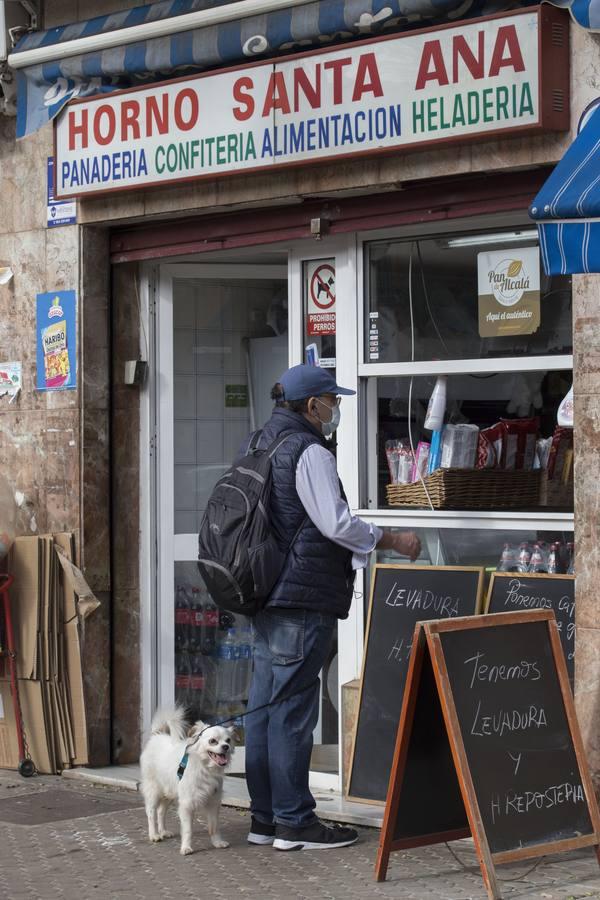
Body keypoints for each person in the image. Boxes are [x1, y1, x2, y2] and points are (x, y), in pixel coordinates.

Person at [244, 364, 421, 852]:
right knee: (292, 713)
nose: (336, 408)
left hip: (265, 594)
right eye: (332, 400)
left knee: (264, 709)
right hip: (299, 599)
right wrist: (391, 539)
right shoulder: (307, 451)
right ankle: (296, 822)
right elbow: (336, 523)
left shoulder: (259, 442)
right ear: (310, 405)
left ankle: (265, 819)